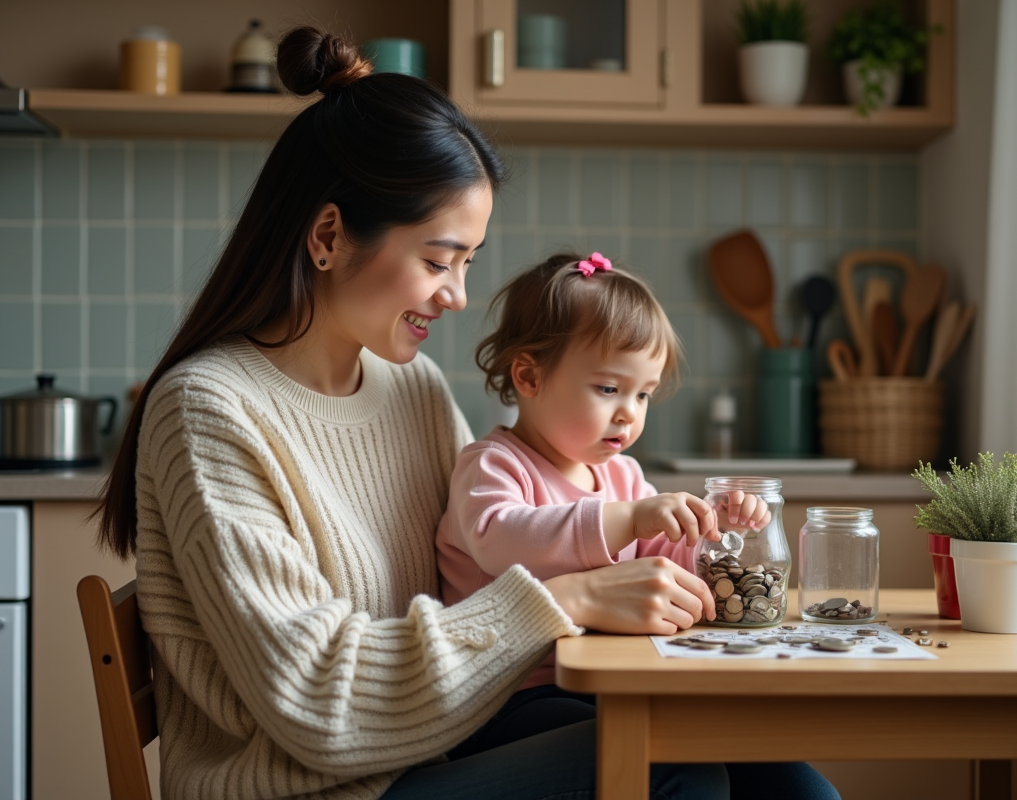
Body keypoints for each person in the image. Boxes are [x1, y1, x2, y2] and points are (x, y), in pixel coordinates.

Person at [93, 23, 838, 800]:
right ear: (327, 237)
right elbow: (316, 704)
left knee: (777, 767)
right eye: (436, 261)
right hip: (325, 790)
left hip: (436, 758)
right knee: (675, 763)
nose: (456, 295)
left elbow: (483, 572)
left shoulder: (408, 392)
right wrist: (568, 599)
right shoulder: (210, 411)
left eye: (467, 263)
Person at [433, 253, 839, 800]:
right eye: (608, 389)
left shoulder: (622, 475)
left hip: (616, 683)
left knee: (798, 787)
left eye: (643, 394)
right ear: (529, 375)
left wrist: (712, 525)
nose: (630, 413)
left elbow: (666, 555)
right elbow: (501, 541)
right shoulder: (493, 464)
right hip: (509, 701)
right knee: (688, 770)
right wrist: (630, 518)